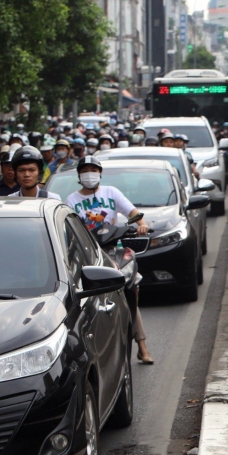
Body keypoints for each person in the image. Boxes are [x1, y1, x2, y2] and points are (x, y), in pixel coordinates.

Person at [65, 155, 154, 363]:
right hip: (88, 253)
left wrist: (142, 223)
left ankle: (142, 345)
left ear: (100, 173)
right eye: (85, 170)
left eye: (93, 170)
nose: (89, 174)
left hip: (114, 249)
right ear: (79, 175)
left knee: (131, 288)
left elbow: (132, 212)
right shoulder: (71, 200)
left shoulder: (111, 193)